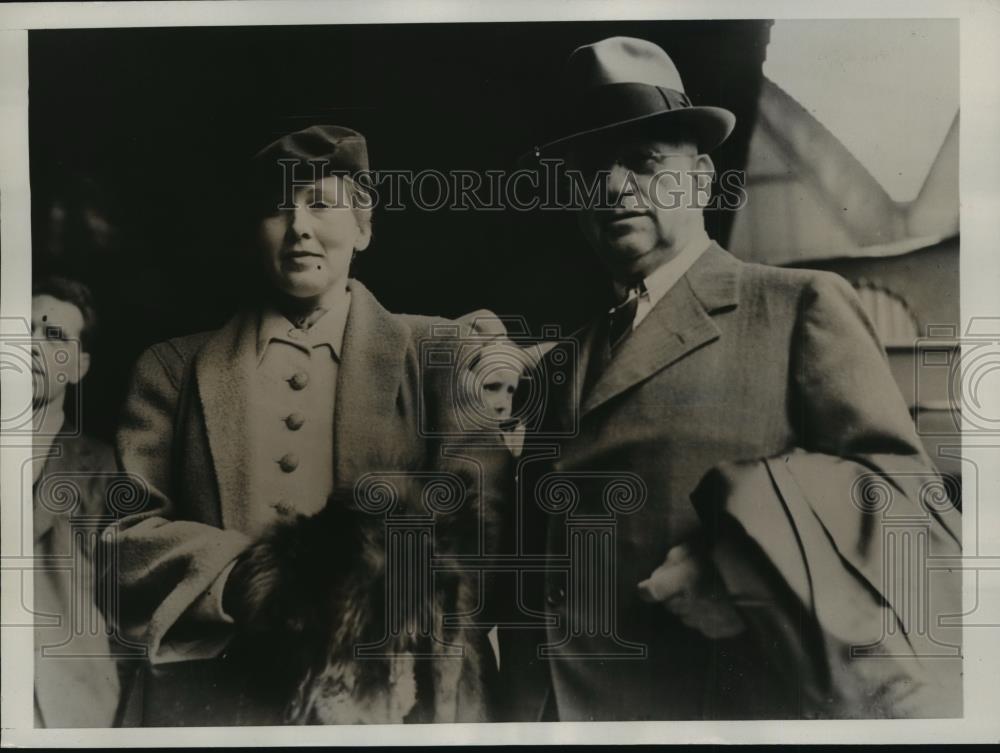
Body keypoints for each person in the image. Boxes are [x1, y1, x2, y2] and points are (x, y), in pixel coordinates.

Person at [494, 37, 962, 721]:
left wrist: (738, 569)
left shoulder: (799, 306)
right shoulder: (560, 363)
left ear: (704, 180)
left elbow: (906, 503)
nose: (614, 186)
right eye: (590, 168)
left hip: (715, 707)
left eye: (646, 163)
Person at [106, 125, 509, 725]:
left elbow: (490, 530)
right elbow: (122, 542)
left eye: (321, 204)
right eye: (277, 208)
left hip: (400, 703)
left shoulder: (440, 355)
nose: (299, 226)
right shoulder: (172, 371)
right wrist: (244, 578)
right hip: (220, 701)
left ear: (364, 228)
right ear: (253, 233)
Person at [31, 276, 122, 727]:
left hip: (66, 714)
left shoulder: (105, 471)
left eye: (52, 336)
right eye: (18, 329)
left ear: (79, 366)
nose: (29, 346)